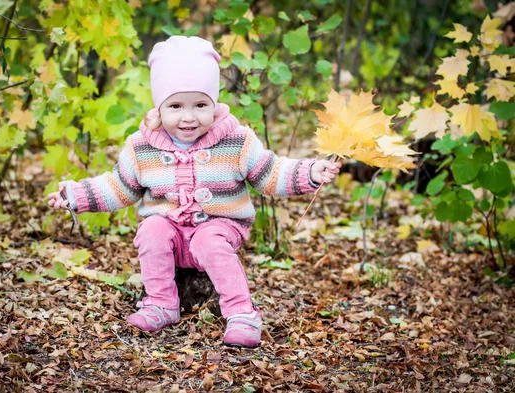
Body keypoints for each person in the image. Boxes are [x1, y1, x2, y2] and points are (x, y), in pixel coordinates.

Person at [47, 36, 342, 347]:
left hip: (221, 224)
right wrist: (75, 196)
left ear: (213, 104)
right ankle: (161, 303)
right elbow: (120, 186)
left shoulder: (236, 141)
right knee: (152, 231)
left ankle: (241, 313)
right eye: (175, 106)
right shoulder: (141, 147)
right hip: (171, 227)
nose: (189, 116)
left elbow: (269, 173)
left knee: (209, 241)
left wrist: (310, 172)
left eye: (200, 105)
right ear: (159, 107)